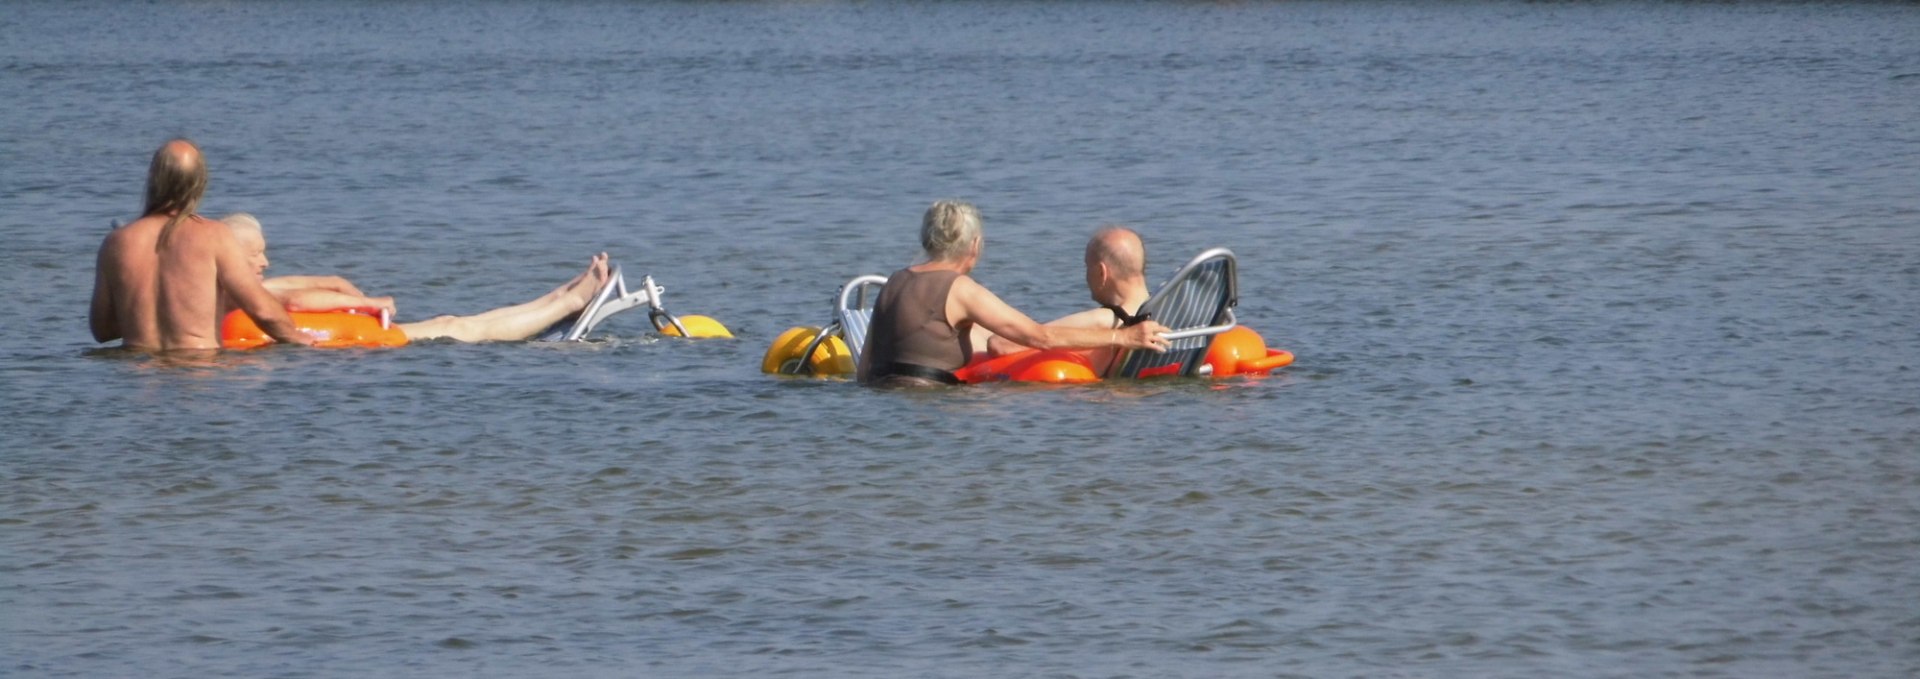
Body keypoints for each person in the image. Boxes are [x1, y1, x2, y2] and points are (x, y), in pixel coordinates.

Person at [857, 200, 1170, 387]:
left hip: (884, 400)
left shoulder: (894, 282)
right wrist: (1125, 338)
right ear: (975, 246)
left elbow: (864, 368)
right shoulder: (962, 289)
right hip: (933, 403)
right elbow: (1038, 337)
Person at [221, 213, 611, 343]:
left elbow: (332, 282)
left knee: (455, 323)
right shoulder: (240, 297)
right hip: (370, 343)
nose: (266, 261)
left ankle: (565, 294)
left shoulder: (249, 289)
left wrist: (360, 307)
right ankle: (571, 300)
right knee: (458, 327)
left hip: (362, 334)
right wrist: (370, 305)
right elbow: (295, 303)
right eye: (255, 254)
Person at [89, 139, 313, 352]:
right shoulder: (215, 235)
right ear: (200, 183)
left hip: (139, 378)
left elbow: (102, 330)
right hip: (198, 372)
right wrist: (295, 337)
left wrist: (144, 314)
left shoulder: (116, 243)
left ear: (153, 179)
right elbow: (263, 312)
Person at [982, 225, 1153, 376]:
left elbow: (1001, 345)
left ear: (1102, 273)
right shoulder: (1165, 312)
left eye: (1087, 266)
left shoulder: (1104, 320)